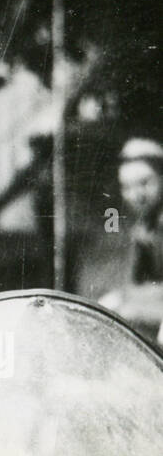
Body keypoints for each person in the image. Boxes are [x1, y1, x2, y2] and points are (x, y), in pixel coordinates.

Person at [100, 137, 163, 340]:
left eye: (145, 183)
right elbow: (140, 283)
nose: (137, 195)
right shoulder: (143, 229)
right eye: (127, 187)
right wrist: (120, 298)